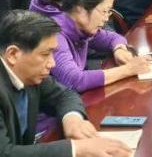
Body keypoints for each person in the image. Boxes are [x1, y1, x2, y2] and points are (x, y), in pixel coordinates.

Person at [0, 10, 132, 156]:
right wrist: (77, 148)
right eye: (45, 54)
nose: (52, 63)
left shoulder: (29, 73)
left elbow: (64, 94)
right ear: (13, 54)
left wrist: (72, 118)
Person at [29, 0, 150, 93]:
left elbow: (113, 38)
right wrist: (128, 70)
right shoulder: (54, 34)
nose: (106, 19)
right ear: (80, 9)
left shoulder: (77, 24)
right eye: (104, 11)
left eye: (109, 12)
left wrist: (119, 50)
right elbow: (74, 81)